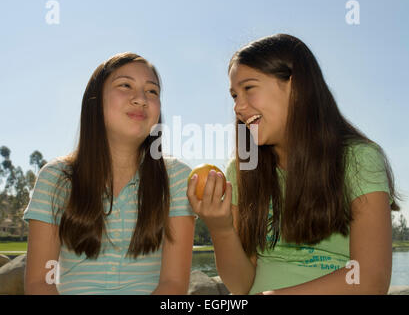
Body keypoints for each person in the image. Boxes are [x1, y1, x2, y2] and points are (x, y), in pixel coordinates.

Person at [187, 34, 400, 295]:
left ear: (295, 86)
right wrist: (220, 229)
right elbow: (241, 285)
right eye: (234, 95)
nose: (238, 107)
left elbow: (371, 279)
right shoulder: (242, 170)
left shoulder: (359, 159)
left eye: (249, 89)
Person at [24, 52, 195, 295]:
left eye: (152, 91)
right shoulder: (55, 177)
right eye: (125, 85)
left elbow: (173, 285)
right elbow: (40, 283)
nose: (140, 99)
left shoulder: (177, 178)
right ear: (95, 101)